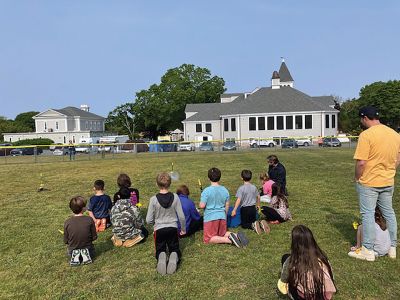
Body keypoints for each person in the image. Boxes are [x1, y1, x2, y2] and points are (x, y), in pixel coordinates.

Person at [351, 106, 400, 261]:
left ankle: (368, 249)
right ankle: (392, 247)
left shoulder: (366, 135)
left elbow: (361, 163)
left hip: (369, 182)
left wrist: (357, 177)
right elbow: (397, 159)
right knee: (389, 213)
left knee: (367, 214)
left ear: (365, 118)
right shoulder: (394, 134)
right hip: (388, 180)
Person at [278, 225, 337, 300]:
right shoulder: (322, 256)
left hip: (305, 297)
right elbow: (332, 276)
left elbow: (283, 284)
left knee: (285, 258)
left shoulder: (292, 260)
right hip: (326, 296)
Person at [146, 172, 186, 275]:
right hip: (172, 228)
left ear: (157, 184)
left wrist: (154, 223)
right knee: (174, 247)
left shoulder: (153, 199)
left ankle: (161, 255)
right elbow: (181, 216)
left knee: (160, 247)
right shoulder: (176, 197)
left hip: (159, 229)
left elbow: (148, 219)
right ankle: (174, 254)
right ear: (170, 183)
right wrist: (183, 229)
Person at [199, 167, 248, 248]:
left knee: (208, 239)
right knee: (222, 233)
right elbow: (227, 205)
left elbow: (202, 205)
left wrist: (201, 200)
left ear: (209, 178)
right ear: (220, 177)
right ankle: (236, 235)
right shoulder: (225, 190)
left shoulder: (206, 191)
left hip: (211, 218)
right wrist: (224, 215)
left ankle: (229, 240)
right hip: (222, 216)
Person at [231, 170, 269, 234]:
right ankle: (260, 224)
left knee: (244, 224)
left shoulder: (241, 188)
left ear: (242, 178)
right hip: (253, 209)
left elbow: (239, 200)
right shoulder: (254, 187)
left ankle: (253, 226)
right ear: (251, 178)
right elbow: (258, 197)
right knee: (253, 221)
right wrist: (258, 205)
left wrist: (234, 209)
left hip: (245, 209)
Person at [64, 196, 97, 265]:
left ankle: (76, 256)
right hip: (88, 249)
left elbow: (66, 241)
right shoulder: (89, 220)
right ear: (83, 209)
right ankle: (85, 255)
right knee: (91, 249)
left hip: (72, 250)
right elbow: (94, 237)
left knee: (70, 250)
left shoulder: (67, 222)